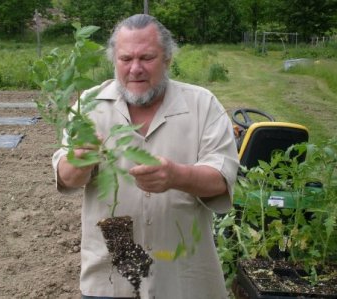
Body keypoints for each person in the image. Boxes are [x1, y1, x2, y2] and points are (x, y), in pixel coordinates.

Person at [52, 14, 239, 299]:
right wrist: (79, 162)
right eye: (126, 59)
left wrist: (178, 176)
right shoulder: (90, 106)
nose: (135, 69)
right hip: (110, 280)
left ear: (167, 59)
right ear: (114, 60)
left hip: (184, 279)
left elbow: (222, 180)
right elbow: (65, 176)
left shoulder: (202, 105)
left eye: (147, 58)